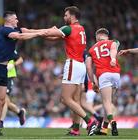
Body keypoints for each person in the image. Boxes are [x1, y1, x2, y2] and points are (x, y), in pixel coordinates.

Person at [0, 11, 45, 137]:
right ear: (9, 20)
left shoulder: (14, 30)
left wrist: (46, 31)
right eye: (15, 18)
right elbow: (21, 36)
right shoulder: (4, 30)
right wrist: (39, 33)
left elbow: (26, 31)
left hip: (4, 69)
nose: (17, 20)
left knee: (1, 101)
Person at [41, 6, 97, 136]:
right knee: (75, 100)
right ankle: (76, 129)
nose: (64, 17)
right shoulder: (81, 28)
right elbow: (53, 37)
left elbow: (49, 35)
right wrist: (51, 32)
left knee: (65, 99)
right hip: (80, 65)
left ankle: (89, 122)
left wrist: (36, 32)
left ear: (72, 16)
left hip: (73, 63)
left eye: (66, 15)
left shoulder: (68, 28)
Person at [86, 28, 120, 136]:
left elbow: (88, 67)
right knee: (108, 104)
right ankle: (104, 129)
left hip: (103, 75)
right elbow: (113, 49)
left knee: (105, 102)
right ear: (107, 36)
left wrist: (93, 82)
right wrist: (113, 59)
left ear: (97, 36)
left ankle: (113, 122)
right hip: (116, 74)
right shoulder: (112, 42)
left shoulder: (91, 49)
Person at [0, 45, 26, 128]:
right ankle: (19, 112)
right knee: (2, 100)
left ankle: (0, 122)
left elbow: (20, 59)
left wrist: (13, 64)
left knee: (4, 99)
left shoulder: (9, 48)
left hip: (8, 76)